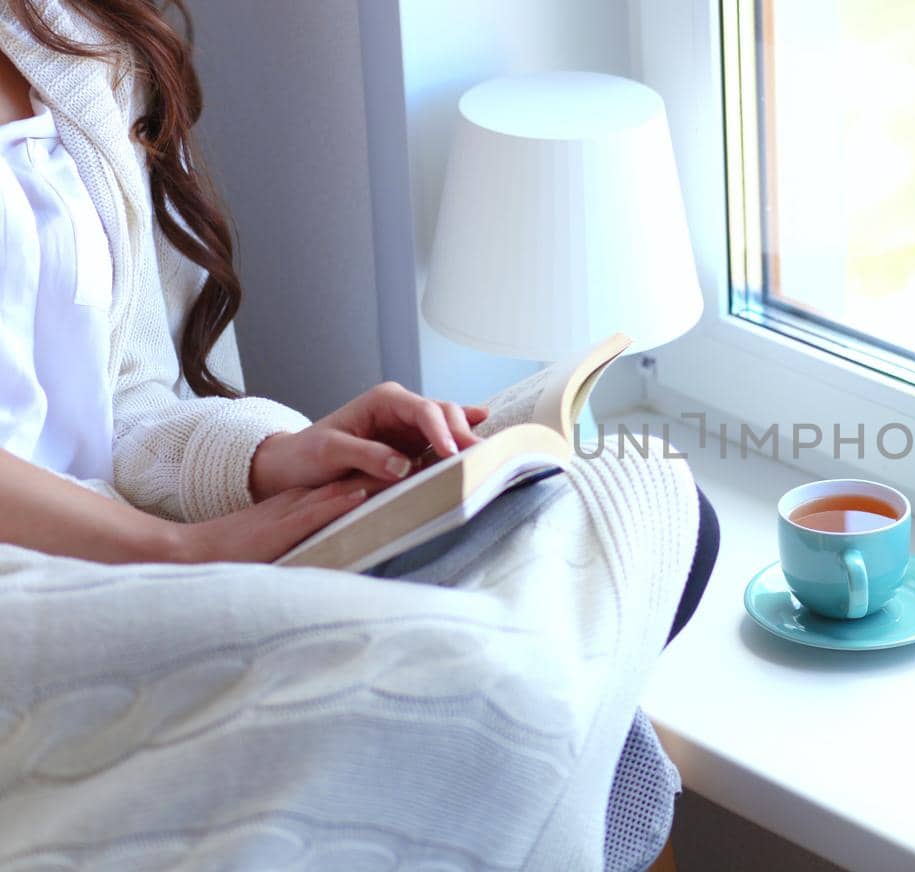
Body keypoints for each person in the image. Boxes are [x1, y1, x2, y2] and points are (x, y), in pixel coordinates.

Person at [0, 0, 715, 864]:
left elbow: (124, 392)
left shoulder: (71, 37)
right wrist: (169, 553)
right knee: (473, 677)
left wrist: (271, 459)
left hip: (133, 550)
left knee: (633, 501)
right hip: (68, 596)